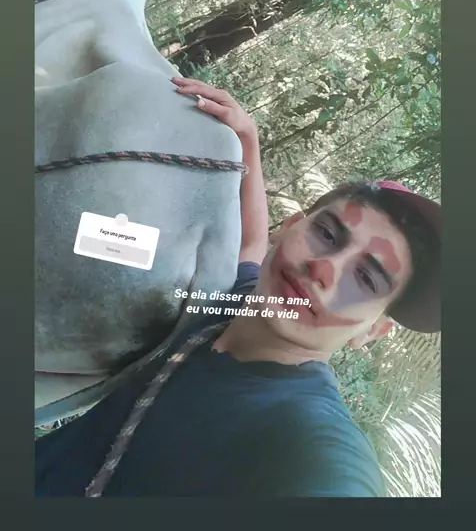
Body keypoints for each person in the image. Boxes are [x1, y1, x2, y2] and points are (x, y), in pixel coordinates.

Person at [35, 78, 441, 498]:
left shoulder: (306, 434)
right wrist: (248, 140)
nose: (324, 268)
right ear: (290, 227)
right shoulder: (234, 299)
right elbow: (250, 243)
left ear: (372, 332)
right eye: (327, 233)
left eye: (366, 278)